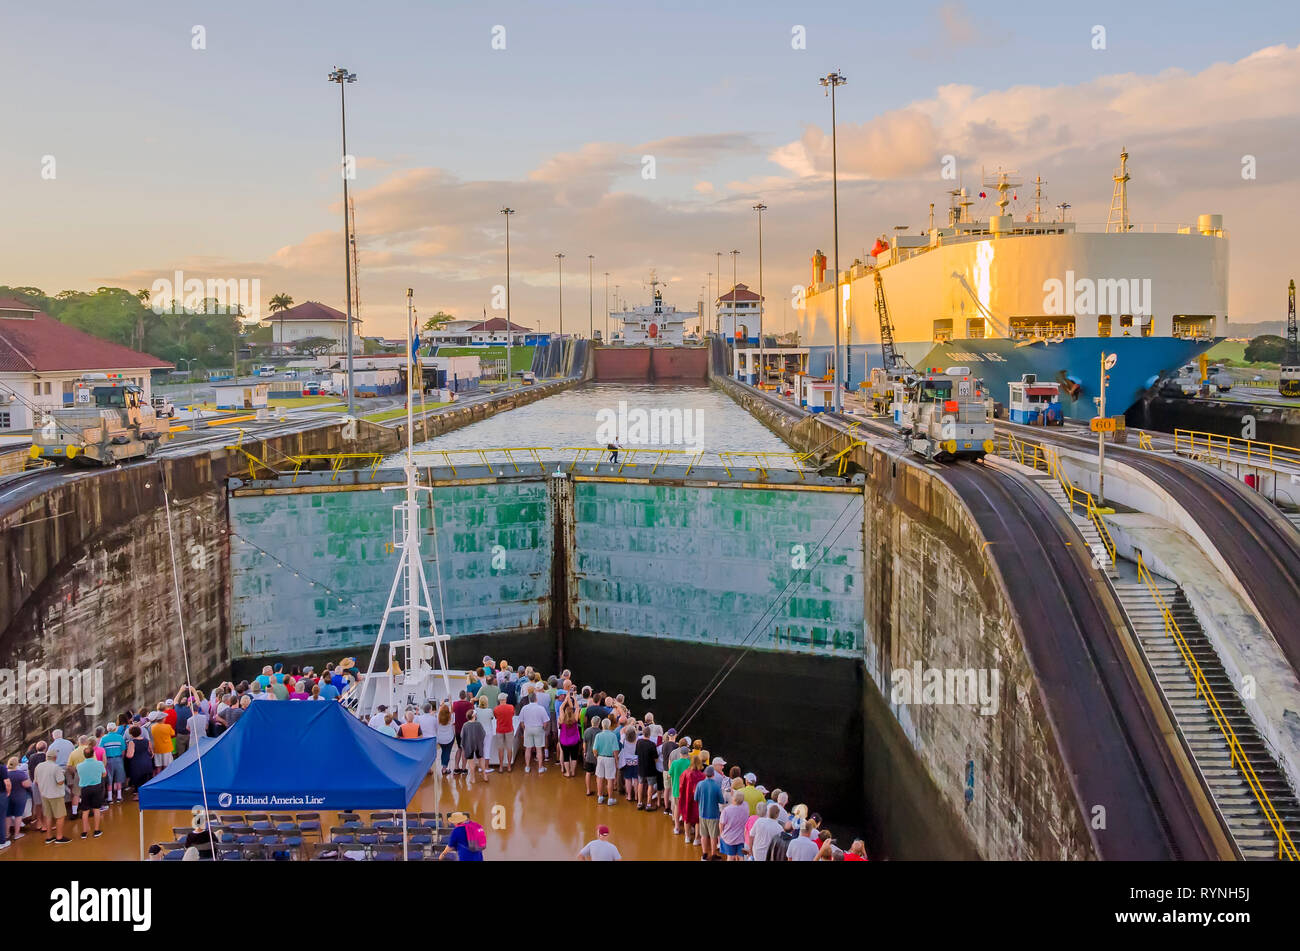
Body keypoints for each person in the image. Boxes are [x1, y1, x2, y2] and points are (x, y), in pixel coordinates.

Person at [34, 751, 69, 844]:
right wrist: (63, 774)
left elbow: (36, 782)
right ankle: (59, 837)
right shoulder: (56, 768)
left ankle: (49, 836)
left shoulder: (38, 766)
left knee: (48, 816)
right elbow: (60, 782)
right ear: (55, 758)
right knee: (60, 816)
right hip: (56, 795)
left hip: (44, 795)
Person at [694, 765, 726, 861]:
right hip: (713, 815)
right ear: (713, 775)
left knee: (703, 835)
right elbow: (721, 800)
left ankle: (704, 854)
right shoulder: (716, 786)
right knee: (713, 836)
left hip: (702, 814)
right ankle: (713, 854)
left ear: (705, 774)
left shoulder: (700, 784)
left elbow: (695, 798)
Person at [75, 746, 106, 839]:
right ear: (93, 754)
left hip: (85, 789)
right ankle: (96, 830)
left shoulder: (79, 766)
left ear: (84, 755)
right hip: (96, 787)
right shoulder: (99, 764)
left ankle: (84, 832)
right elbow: (104, 774)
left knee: (85, 811)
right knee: (96, 809)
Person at [677, 754, 706, 846]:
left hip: (686, 798)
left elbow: (681, 786)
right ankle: (697, 839)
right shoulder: (702, 775)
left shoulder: (685, 773)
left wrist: (680, 797)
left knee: (687, 817)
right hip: (698, 800)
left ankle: (687, 837)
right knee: (697, 819)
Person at [520, 694, 549, 773]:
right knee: (539, 749)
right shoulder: (541, 708)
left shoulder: (524, 708)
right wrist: (543, 728)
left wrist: (524, 729)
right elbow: (546, 721)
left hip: (528, 728)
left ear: (529, 699)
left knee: (528, 748)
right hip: (538, 728)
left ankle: (527, 766)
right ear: (536, 699)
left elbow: (521, 721)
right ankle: (540, 767)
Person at [5, 756, 31, 844]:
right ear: (17, 764)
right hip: (19, 796)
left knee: (7, 816)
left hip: (7, 797)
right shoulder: (20, 774)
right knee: (18, 815)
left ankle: (7, 834)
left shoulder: (5, 773)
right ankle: (16, 834)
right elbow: (27, 785)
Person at [719, 790, 749, 861]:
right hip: (741, 837)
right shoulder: (746, 807)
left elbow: (721, 824)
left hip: (729, 838)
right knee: (741, 856)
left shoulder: (726, 810)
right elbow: (743, 802)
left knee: (730, 857)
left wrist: (721, 834)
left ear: (733, 798)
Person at [459, 709, 487, 783]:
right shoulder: (479, 724)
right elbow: (483, 734)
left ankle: (473, 778)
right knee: (481, 759)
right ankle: (485, 775)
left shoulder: (465, 725)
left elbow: (462, 735)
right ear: (474, 716)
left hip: (468, 745)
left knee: (471, 762)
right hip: (478, 745)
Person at [557, 696, 582, 778]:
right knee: (574, 756)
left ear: (565, 712)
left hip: (564, 741)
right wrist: (574, 698)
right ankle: (573, 771)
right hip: (575, 740)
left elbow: (561, 708)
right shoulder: (575, 719)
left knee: (566, 756)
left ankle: (567, 772)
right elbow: (577, 707)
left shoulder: (562, 719)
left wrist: (565, 700)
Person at [634, 728, 659, 811]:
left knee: (640, 784)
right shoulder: (652, 745)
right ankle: (648, 804)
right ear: (650, 734)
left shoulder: (639, 742)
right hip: (650, 768)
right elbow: (656, 759)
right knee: (650, 785)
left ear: (643, 733)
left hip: (641, 767)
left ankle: (639, 803)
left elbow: (636, 753)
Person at [124, 725, 153, 796]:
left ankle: (138, 795)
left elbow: (130, 755)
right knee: (145, 780)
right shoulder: (146, 740)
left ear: (131, 734)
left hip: (137, 764)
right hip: (147, 762)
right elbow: (151, 753)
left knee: (137, 782)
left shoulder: (132, 742)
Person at [451, 691, 475, 774]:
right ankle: (464, 768)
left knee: (459, 748)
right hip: (466, 730)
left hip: (457, 730)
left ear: (459, 696)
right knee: (465, 749)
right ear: (465, 696)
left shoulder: (455, 704)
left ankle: (456, 767)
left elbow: (452, 712)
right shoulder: (469, 705)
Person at [492, 693, 516, 772]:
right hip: (509, 729)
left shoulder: (496, 709)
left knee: (500, 749)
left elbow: (495, 717)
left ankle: (501, 766)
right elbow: (512, 715)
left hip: (500, 730)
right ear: (505, 699)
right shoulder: (511, 707)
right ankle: (509, 766)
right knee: (509, 748)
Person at [581, 714, 601, 796]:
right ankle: (599, 792)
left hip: (589, 755)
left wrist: (584, 752)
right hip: (597, 756)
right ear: (598, 723)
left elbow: (584, 744)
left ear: (591, 722)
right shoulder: (600, 732)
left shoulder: (586, 731)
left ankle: (588, 790)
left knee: (588, 773)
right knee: (598, 775)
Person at [435, 703, 456, 775]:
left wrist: (440, 705)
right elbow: (452, 711)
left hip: (440, 739)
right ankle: (444, 768)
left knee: (444, 751)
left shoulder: (437, 716)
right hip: (449, 738)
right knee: (447, 752)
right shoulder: (451, 716)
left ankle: (444, 765)